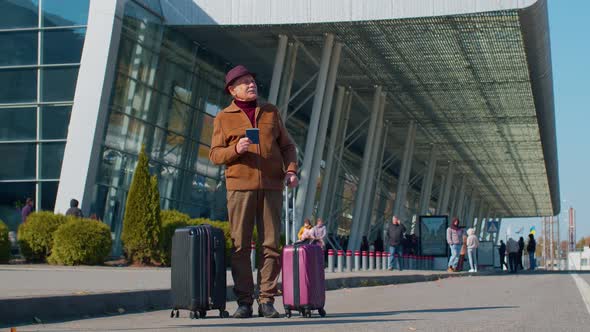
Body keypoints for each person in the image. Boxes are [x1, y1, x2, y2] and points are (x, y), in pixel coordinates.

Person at [209, 65, 298, 319]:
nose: (251, 85)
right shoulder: (223, 117)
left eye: (252, 80)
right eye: (245, 82)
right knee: (240, 246)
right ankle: (245, 301)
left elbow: (288, 146)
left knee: (270, 244)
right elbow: (215, 154)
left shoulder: (270, 111)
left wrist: (291, 171)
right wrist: (235, 150)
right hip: (239, 188)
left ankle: (267, 300)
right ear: (232, 89)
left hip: (271, 186)